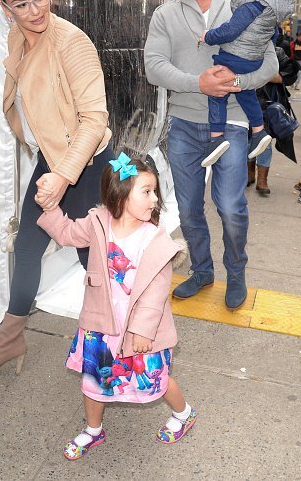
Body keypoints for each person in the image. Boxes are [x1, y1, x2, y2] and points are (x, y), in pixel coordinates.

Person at [0, 0, 113, 376]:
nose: (34, 10)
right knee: (27, 248)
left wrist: (63, 177)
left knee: (93, 261)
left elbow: (95, 119)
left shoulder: (72, 42)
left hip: (84, 166)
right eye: (20, 3)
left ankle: (111, 349)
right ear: (4, 7)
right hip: (53, 162)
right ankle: (9, 343)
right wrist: (52, 170)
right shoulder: (18, 36)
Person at [144, 0, 278, 310]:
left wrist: (236, 83)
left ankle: (236, 272)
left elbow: (270, 64)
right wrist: (198, 83)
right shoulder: (165, 14)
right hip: (184, 124)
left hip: (233, 123)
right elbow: (153, 67)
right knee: (187, 208)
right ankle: (201, 271)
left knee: (231, 206)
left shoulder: (244, 7)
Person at [36, 153, 196, 459]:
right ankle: (93, 431)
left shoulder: (155, 239)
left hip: (140, 331)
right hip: (101, 325)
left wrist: (142, 330)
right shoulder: (98, 222)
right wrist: (50, 208)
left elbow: (156, 291)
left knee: (157, 382)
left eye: (155, 192)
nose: (154, 199)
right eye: (146, 191)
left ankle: (183, 412)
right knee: (93, 381)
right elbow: (67, 233)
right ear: (120, 192)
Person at [199, 0, 294, 167]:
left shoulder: (249, 6)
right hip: (253, 60)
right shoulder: (269, 8)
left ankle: (216, 138)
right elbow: (273, 35)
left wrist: (208, 36)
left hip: (235, 57)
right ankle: (259, 131)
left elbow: (230, 31)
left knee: (218, 92)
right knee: (246, 93)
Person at [247, 46, 300, 194]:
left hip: (268, 104)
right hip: (245, 102)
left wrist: (263, 74)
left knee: (264, 142)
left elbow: (286, 75)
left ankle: (262, 180)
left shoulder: (276, 52)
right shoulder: (244, 47)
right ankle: (249, 175)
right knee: (247, 140)